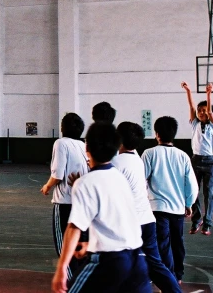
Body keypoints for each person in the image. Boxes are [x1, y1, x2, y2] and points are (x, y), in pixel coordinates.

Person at [51, 122, 151, 293]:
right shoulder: (120, 178)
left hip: (110, 261)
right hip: (138, 261)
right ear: (116, 147)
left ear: (86, 147)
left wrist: (62, 267)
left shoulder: (85, 182)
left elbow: (74, 227)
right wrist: (91, 243)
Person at [113, 122, 181, 293]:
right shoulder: (137, 159)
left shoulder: (116, 162)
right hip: (147, 220)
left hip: (129, 223)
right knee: (156, 265)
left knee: (113, 263)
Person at [142, 116, 198, 284]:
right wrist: (188, 204)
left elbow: (141, 179)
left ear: (156, 134)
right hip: (178, 208)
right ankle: (177, 275)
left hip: (157, 207)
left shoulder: (149, 154)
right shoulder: (183, 156)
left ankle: (168, 277)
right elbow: (191, 185)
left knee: (163, 244)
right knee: (177, 242)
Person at [41, 113, 89, 279]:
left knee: (64, 248)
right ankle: (82, 282)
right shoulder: (83, 146)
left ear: (62, 128)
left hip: (64, 202)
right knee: (80, 247)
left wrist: (47, 186)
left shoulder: (61, 143)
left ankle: (71, 285)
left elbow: (58, 174)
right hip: (82, 203)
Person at [183, 81, 213, 236]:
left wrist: (208, 94)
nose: (202, 113)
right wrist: (188, 91)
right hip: (196, 161)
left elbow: (210, 113)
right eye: (200, 111)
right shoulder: (195, 124)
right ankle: (197, 220)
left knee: (208, 193)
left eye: (205, 110)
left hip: (209, 162)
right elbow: (191, 107)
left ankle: (208, 223)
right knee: (194, 191)